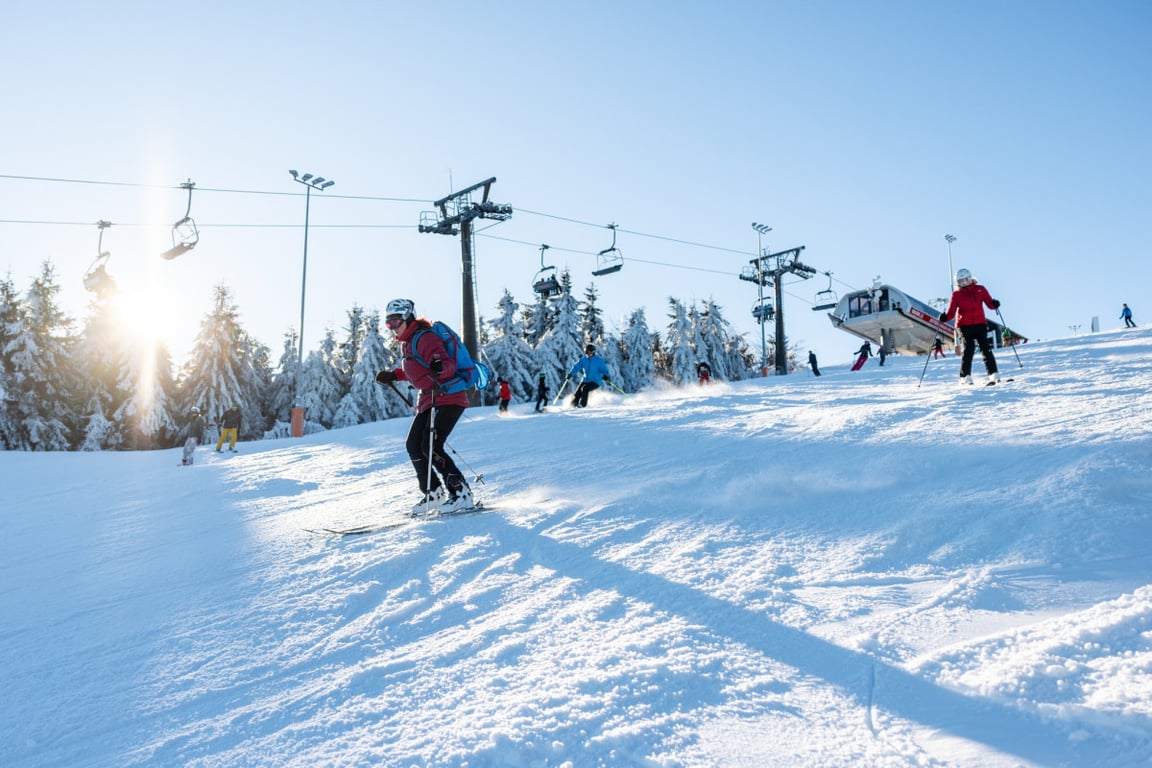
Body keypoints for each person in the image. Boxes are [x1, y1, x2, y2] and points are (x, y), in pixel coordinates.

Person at [374, 298, 473, 514]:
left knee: (432, 445)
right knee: (413, 445)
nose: (392, 327)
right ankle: (433, 492)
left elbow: (446, 364)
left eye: (395, 321)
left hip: (448, 397)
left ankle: (461, 493)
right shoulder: (408, 342)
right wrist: (394, 375)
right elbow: (416, 369)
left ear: (408, 317)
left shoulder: (425, 337)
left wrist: (440, 367)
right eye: (388, 323)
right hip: (429, 400)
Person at [939, 267, 1001, 385]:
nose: (964, 282)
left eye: (966, 279)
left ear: (970, 278)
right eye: (960, 281)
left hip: (980, 323)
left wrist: (995, 304)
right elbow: (951, 313)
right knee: (969, 348)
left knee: (985, 348)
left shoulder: (980, 289)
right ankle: (964, 376)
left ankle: (993, 374)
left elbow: (989, 304)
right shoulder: (956, 294)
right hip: (964, 325)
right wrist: (944, 318)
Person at [569, 343, 611, 408]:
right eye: (587, 352)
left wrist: (606, 376)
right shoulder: (583, 360)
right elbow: (576, 367)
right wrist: (570, 374)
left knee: (585, 389)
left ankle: (582, 404)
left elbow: (605, 370)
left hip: (595, 381)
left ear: (593, 352)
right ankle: (573, 404)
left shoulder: (598, 361)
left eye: (590, 352)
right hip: (585, 380)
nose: (588, 354)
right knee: (578, 391)